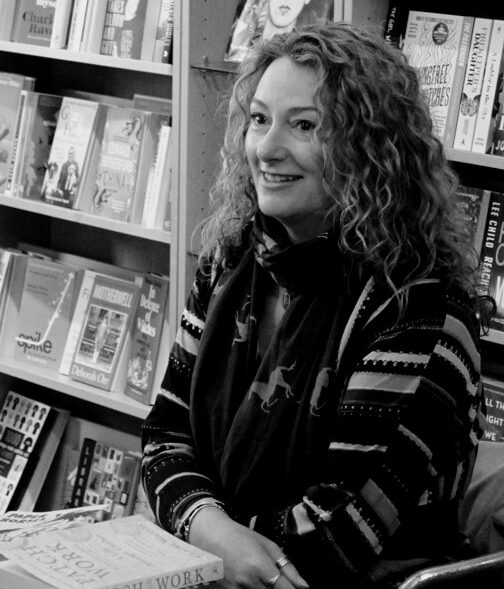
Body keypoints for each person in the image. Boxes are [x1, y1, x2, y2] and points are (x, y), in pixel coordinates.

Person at [142, 22, 487, 589]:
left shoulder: (420, 308)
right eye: (259, 119)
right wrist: (213, 534)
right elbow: (163, 437)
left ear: (372, 148)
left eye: (304, 125)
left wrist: (200, 536)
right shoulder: (231, 262)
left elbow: (334, 538)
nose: (266, 148)